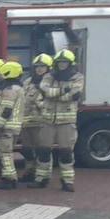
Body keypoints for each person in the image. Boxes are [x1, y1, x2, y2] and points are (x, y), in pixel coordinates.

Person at [32, 48, 83, 192]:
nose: (61, 64)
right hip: (47, 120)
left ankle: (67, 181)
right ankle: (41, 179)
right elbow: (45, 91)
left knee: (66, 153)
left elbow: (73, 95)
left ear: (70, 64)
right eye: (59, 62)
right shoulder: (49, 76)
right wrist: (63, 91)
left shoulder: (77, 77)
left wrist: (54, 94)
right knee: (43, 151)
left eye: (64, 62)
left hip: (66, 121)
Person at [0, 61, 25, 189]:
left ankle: (9, 179)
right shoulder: (18, 88)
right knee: (8, 153)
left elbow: (6, 110)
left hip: (6, 127)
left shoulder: (9, 90)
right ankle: (11, 178)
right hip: (14, 127)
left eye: (1, 73)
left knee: (5, 154)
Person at [18, 54, 52, 182]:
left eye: (42, 66)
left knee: (42, 150)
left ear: (48, 68)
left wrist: (39, 104)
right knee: (27, 150)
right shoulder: (28, 82)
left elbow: (51, 102)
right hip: (26, 122)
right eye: (37, 66)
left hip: (41, 122)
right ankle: (29, 173)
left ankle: (43, 176)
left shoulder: (51, 83)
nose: (39, 69)